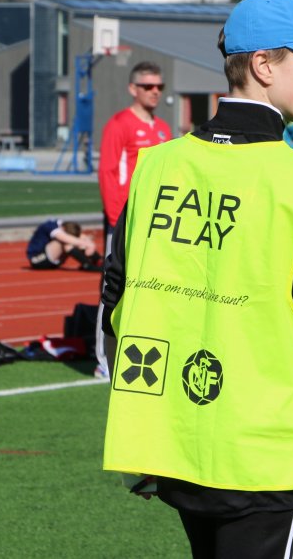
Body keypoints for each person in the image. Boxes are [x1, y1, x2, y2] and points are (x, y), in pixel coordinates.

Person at [100, 0, 293, 558]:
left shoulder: (156, 165)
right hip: (267, 453)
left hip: (173, 444)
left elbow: (115, 304)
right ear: (263, 65)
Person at [96, 60, 172, 379]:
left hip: (158, 222)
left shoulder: (163, 128)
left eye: (159, 86)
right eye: (147, 86)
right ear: (132, 88)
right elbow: (108, 172)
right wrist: (117, 220)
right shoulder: (119, 124)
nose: (155, 92)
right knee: (114, 286)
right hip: (125, 221)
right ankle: (104, 359)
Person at [25, 219, 103, 271]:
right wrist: (88, 245)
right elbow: (65, 238)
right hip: (37, 260)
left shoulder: (61, 225)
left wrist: (87, 241)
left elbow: (79, 236)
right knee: (67, 243)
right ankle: (87, 265)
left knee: (76, 240)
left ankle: (98, 259)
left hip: (52, 260)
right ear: (63, 229)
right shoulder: (52, 227)